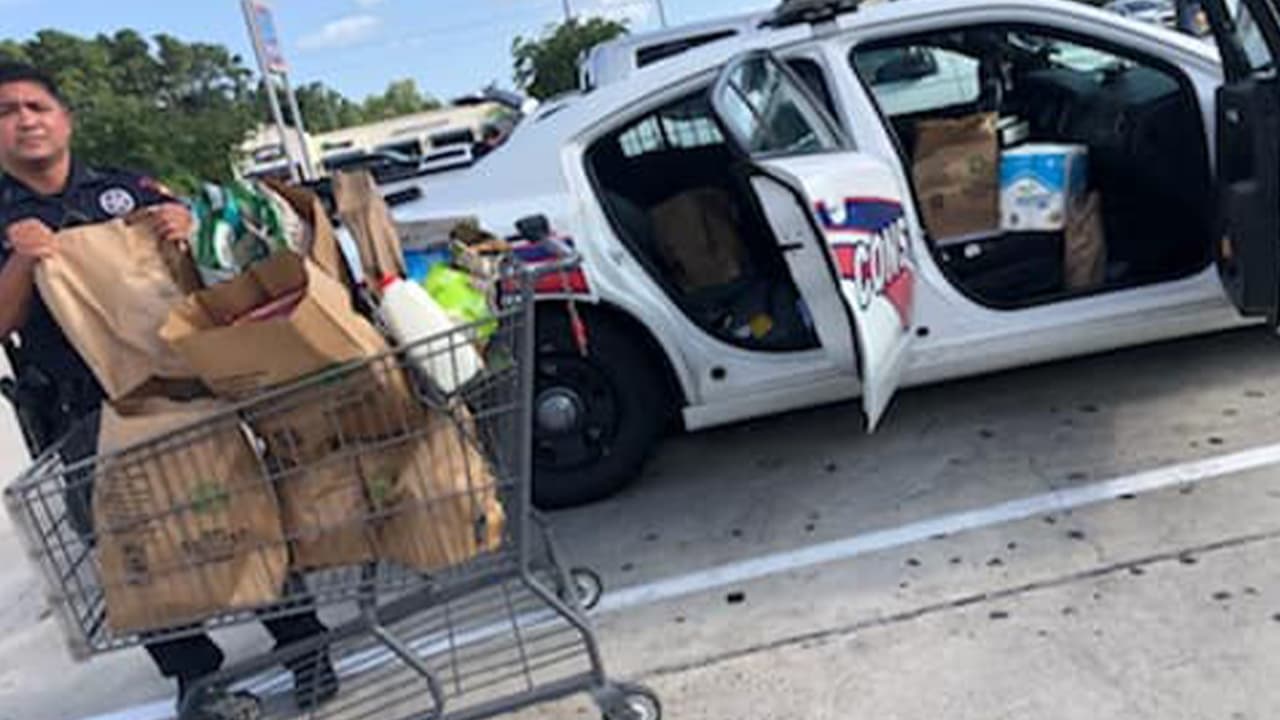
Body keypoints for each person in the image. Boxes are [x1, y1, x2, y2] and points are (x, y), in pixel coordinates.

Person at [0, 62, 338, 714]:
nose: (24, 119)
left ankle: (305, 644)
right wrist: (22, 258)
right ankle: (195, 674)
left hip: (180, 384)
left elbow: (217, 271)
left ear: (64, 118)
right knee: (135, 552)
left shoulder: (125, 190)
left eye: (36, 106)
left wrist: (186, 230)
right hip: (80, 410)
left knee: (240, 513)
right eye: (7, 111)